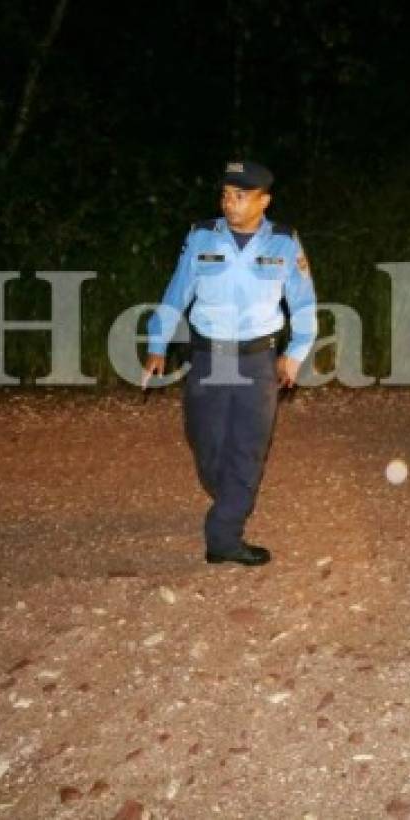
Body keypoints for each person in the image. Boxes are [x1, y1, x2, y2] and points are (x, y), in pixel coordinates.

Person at [143, 160, 317, 566]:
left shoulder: (284, 243)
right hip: (208, 356)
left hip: (259, 359)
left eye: (240, 196)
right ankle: (230, 499)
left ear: (264, 201)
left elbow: (304, 303)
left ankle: (223, 535)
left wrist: (295, 354)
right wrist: (157, 343)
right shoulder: (202, 236)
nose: (229, 203)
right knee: (206, 443)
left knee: (248, 449)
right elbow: (177, 291)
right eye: (225, 194)